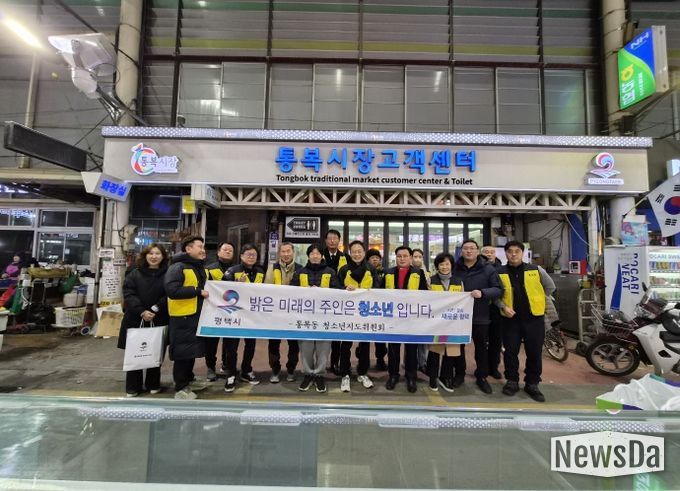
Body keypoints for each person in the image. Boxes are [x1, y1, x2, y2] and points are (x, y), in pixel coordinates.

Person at [496, 240, 556, 402]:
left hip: (534, 319)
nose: (513, 254)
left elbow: (550, 287)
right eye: (510, 251)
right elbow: (495, 295)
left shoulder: (536, 270)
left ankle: (532, 383)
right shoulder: (499, 272)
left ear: (522, 253)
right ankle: (512, 381)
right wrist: (503, 307)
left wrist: (538, 300)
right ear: (506, 253)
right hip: (510, 320)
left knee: (534, 352)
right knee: (510, 352)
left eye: (517, 251)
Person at [451, 239, 503, 394]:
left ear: (477, 251)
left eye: (472, 248)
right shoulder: (454, 268)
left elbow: (498, 289)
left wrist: (483, 293)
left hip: (480, 315)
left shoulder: (488, 269)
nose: (469, 251)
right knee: (458, 347)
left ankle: (482, 376)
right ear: (461, 251)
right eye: (465, 248)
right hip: (459, 316)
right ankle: (459, 374)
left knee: (481, 348)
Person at [119, 243, 169, 397]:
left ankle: (153, 384)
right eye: (151, 253)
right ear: (145, 255)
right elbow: (128, 293)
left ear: (163, 256)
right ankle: (133, 387)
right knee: (136, 352)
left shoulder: (168, 273)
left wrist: (155, 308)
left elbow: (169, 294)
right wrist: (141, 311)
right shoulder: (134, 273)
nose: (154, 257)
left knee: (156, 352)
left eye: (157, 253)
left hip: (158, 318)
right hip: (135, 318)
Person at [165, 235, 210, 400]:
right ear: (188, 249)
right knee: (183, 354)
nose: (203, 250)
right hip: (182, 316)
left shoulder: (197, 267)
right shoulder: (178, 267)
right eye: (199, 247)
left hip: (194, 316)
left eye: (203, 247)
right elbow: (172, 290)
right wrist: (197, 292)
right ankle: (181, 388)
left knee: (191, 351)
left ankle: (189, 380)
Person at [291, 243, 340, 393]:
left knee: (323, 348)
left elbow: (337, 292)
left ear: (322, 256)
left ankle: (319, 375)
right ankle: (307, 374)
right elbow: (291, 292)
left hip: (325, 318)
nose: (315, 256)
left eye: (318, 253)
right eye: (312, 253)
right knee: (305, 347)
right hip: (305, 317)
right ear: (308, 256)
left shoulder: (330, 272)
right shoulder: (300, 272)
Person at [383, 246, 428, 393]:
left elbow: (425, 294)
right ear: (395, 258)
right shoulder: (388, 272)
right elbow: (380, 292)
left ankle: (411, 376)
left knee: (411, 349)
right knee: (393, 349)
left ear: (410, 258)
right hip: (393, 318)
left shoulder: (419, 273)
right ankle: (393, 375)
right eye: (399, 256)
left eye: (405, 256)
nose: (402, 259)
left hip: (411, 318)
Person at [337, 240, 380, 392]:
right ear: (350, 253)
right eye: (354, 252)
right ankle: (345, 374)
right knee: (345, 344)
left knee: (364, 344)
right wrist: (344, 288)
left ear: (364, 252)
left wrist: (370, 291)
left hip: (365, 313)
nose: (356, 254)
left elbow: (378, 286)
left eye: (359, 251)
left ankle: (362, 372)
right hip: (347, 313)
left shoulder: (371, 269)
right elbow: (336, 288)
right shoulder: (344, 270)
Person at [222, 243, 265, 392]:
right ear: (241, 256)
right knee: (231, 347)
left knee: (250, 344)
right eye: (248, 254)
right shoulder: (232, 271)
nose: (251, 257)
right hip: (234, 315)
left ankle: (246, 370)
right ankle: (231, 374)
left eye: (254, 255)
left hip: (252, 316)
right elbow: (221, 290)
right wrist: (236, 284)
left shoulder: (260, 272)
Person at [264, 241, 302, 383]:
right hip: (276, 314)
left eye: (288, 251)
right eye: (283, 251)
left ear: (293, 252)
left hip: (294, 313)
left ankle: (291, 370)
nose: (286, 254)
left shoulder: (300, 269)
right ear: (279, 253)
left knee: (294, 344)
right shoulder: (272, 268)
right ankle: (275, 370)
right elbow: (267, 288)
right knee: (274, 343)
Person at [426, 252, 464, 392]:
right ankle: (432, 378)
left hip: (453, 323)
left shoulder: (458, 281)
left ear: (451, 265)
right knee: (434, 351)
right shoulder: (431, 280)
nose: (444, 267)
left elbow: (463, 301)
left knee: (451, 351)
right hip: (436, 322)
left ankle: (446, 378)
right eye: (441, 264)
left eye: (447, 264)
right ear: (437, 266)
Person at [204, 241, 236, 381]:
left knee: (230, 342)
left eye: (230, 250)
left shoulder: (237, 269)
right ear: (218, 252)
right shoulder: (209, 269)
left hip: (231, 312)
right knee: (211, 342)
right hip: (213, 311)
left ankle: (226, 364)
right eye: (225, 249)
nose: (228, 252)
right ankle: (210, 367)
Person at [322, 229, 348, 376]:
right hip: (323, 300)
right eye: (330, 238)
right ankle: (320, 364)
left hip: (339, 299)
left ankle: (334, 363)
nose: (332, 241)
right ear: (326, 241)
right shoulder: (319, 255)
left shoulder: (345, 257)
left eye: (335, 238)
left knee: (337, 333)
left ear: (339, 240)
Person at [481, 245, 504, 380]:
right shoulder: (478, 269)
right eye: (486, 252)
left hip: (497, 310)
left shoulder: (502, 269)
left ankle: (494, 367)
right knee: (481, 342)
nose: (489, 254)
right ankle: (482, 368)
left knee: (496, 341)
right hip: (481, 309)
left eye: (492, 252)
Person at [366, 248, 387, 370]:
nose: (375, 260)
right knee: (364, 336)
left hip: (380, 309)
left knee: (380, 337)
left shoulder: (385, 272)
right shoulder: (364, 271)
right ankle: (363, 360)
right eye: (372, 258)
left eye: (377, 258)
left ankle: (380, 359)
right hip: (366, 308)